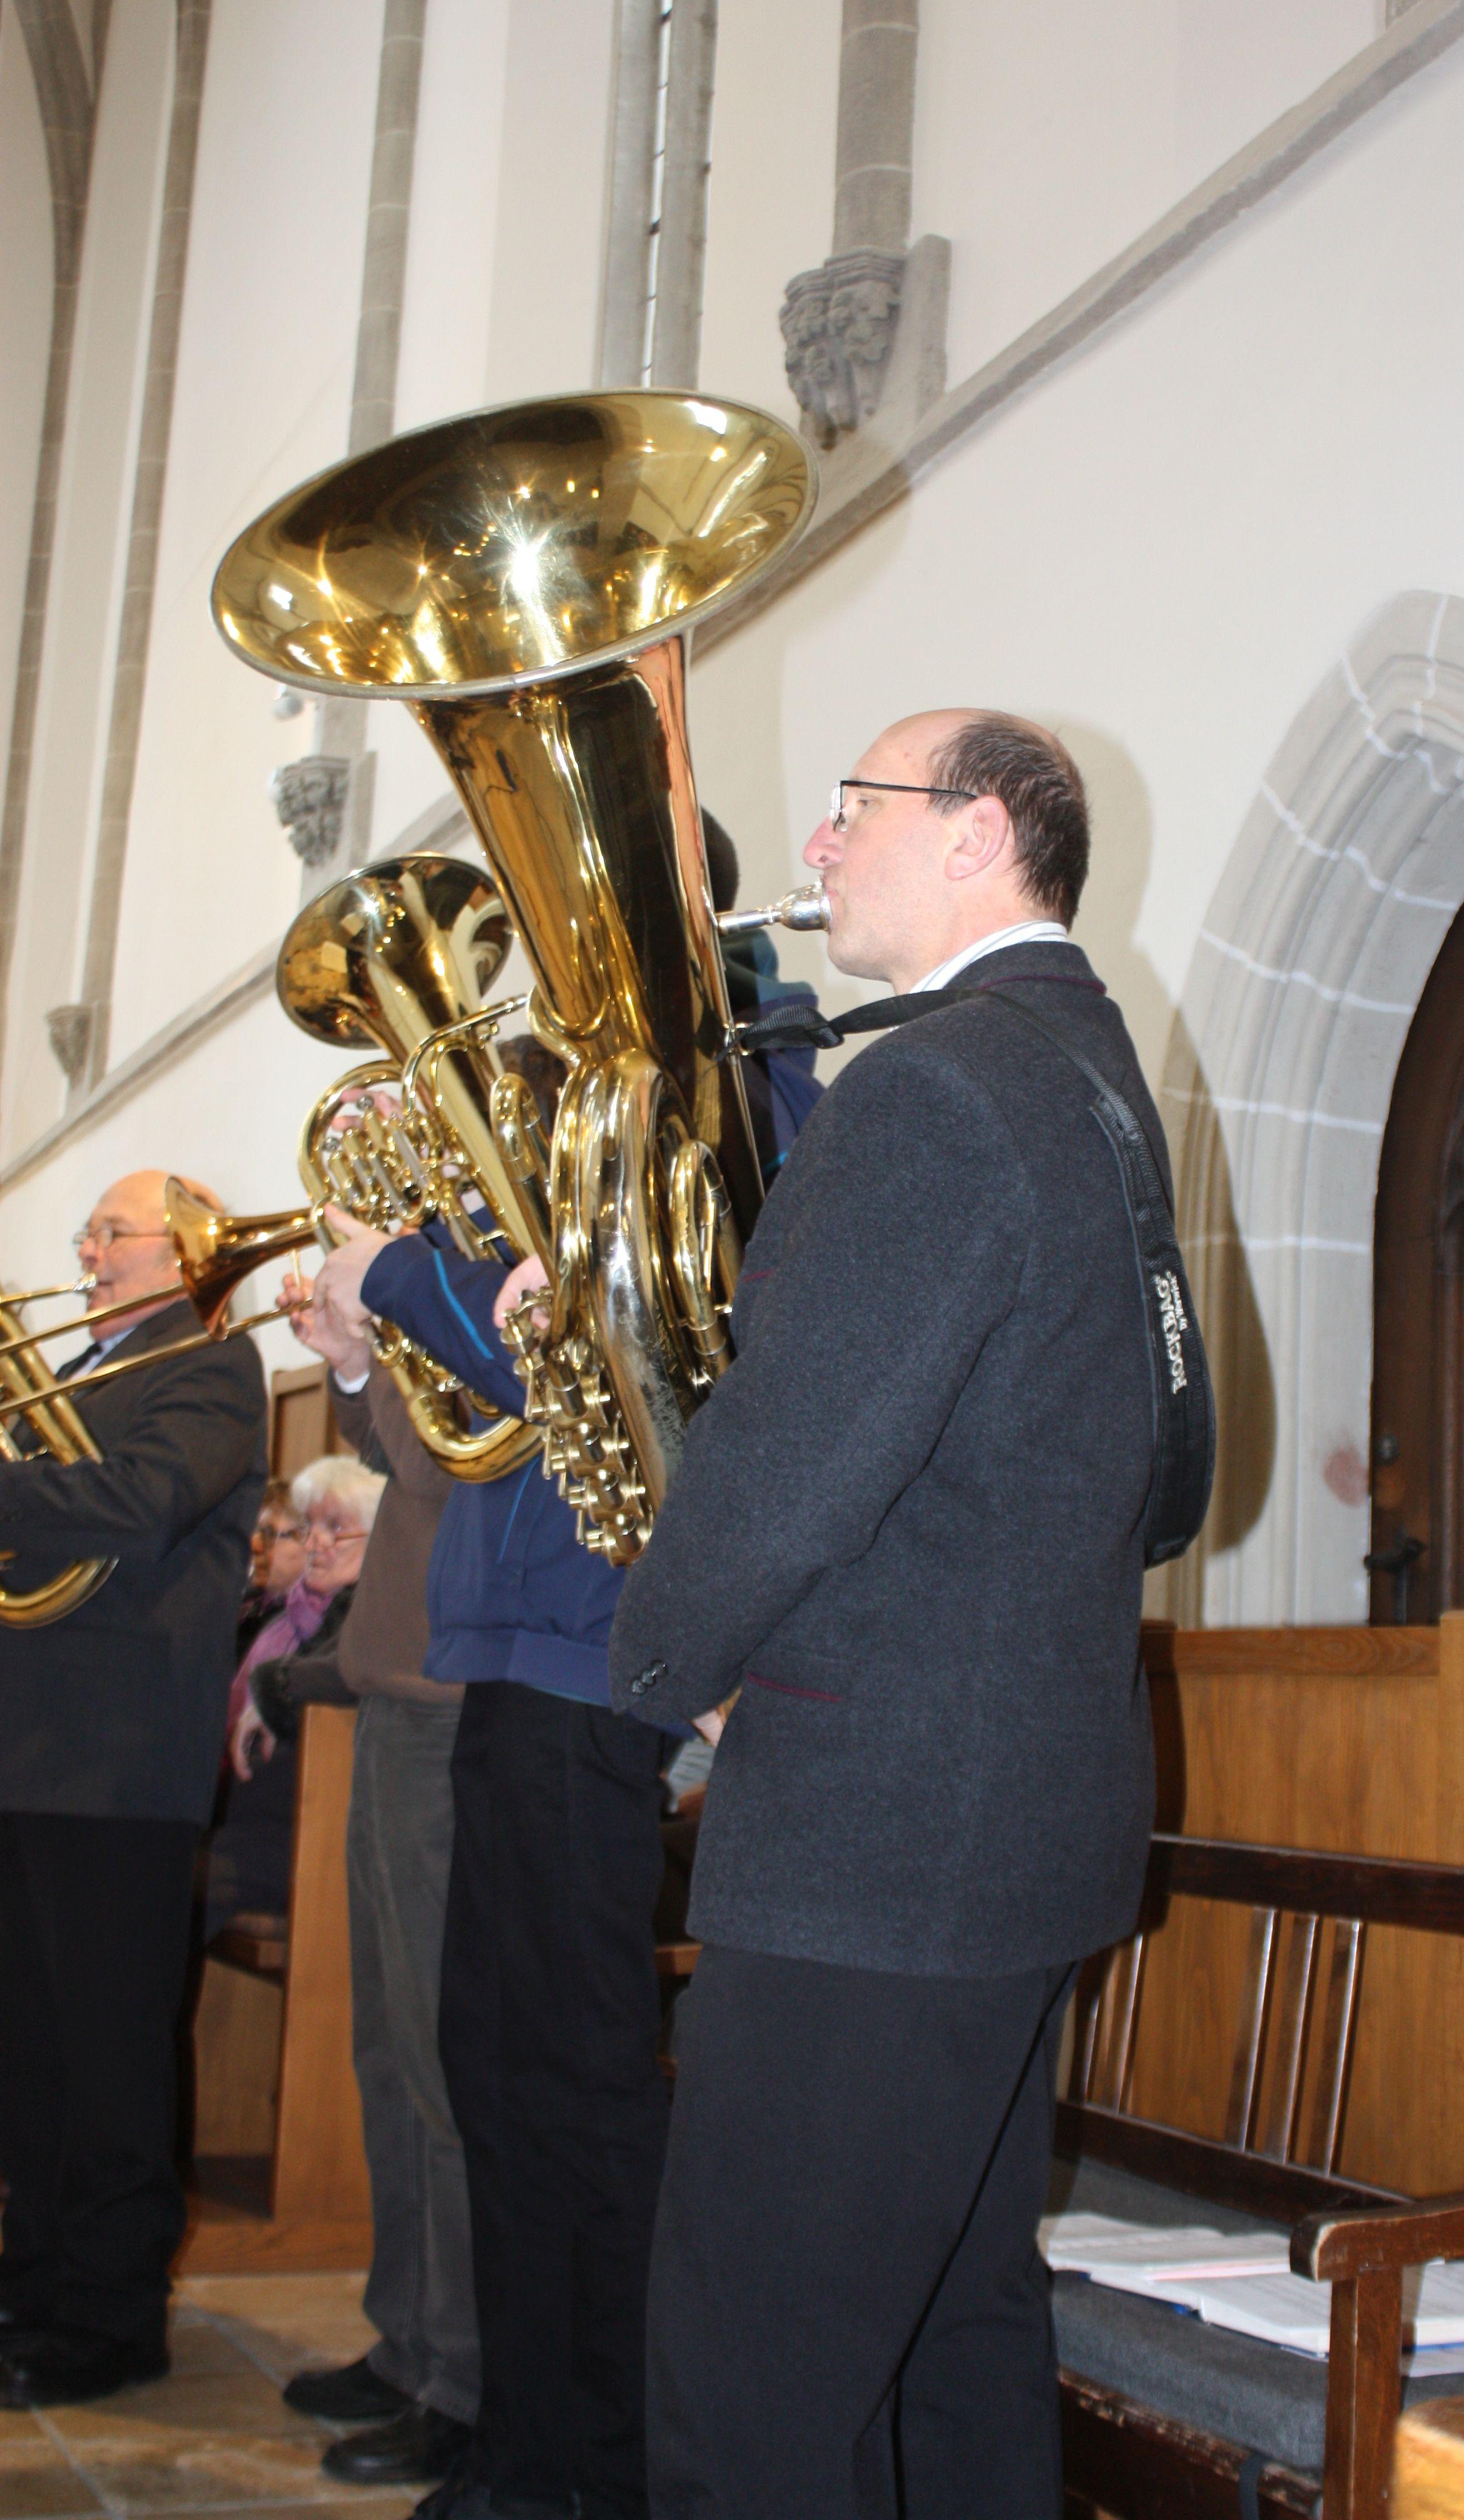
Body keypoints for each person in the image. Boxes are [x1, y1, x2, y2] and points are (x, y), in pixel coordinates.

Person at [605, 712, 1214, 2518]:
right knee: (952, 2346)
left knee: (758, 2394)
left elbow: (792, 1454)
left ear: (978, 834)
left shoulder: (940, 1086)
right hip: (1018, 1816)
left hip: (877, 1834)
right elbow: (1178, 1480)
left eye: (858, 804)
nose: (820, 835)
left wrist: (660, 1668)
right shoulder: (1091, 1075)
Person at [304, 815, 817, 2520]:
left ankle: (593, 2470)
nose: (534, 942)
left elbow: (630, 1337)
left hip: (613, 1637)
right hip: (511, 1632)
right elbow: (498, 1407)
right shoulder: (565, 1088)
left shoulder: (737, 1080)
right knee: (502, 2067)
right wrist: (390, 1316)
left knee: (577, 2081)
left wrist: (403, 1277)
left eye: (556, 903)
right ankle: (529, 2451)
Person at [0, 1170, 267, 2408]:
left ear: (181, 1253)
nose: (89, 1253)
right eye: (88, 1235)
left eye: (112, 1234)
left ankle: (112, 2316)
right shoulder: (61, 1383)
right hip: (28, 1751)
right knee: (30, 2050)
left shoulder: (211, 1369)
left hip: (120, 1768)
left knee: (107, 2052)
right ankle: (37, 2276)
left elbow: (142, 1505)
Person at [273, 1291, 481, 2491]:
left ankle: (460, 2376)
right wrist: (356, 1366)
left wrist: (382, 1320)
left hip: (445, 1703)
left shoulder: (494, 1274)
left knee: (434, 2058)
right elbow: (392, 1447)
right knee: (384, 2053)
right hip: (399, 1694)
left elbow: (447, 1448)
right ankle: (407, 2340)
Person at [205, 1455, 385, 1940]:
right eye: (310, 1527)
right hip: (243, 1828)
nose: (316, 1543)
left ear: (381, 1536)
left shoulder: (372, 1617)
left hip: (296, 1846)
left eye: (337, 1528)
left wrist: (271, 1690)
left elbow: (336, 1680)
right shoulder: (286, 1617)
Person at [237, 1478, 305, 1653]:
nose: (255, 1545)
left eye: (269, 1533)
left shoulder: (320, 1627)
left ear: (311, 1541)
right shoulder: (241, 1609)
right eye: (254, 1531)